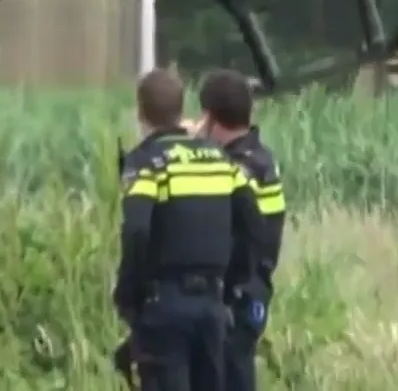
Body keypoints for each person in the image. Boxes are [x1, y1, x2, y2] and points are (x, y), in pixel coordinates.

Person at [115, 68, 262, 391]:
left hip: (164, 306)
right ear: (182, 110)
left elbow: (137, 230)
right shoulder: (220, 160)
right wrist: (235, 282)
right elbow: (253, 222)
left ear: (141, 112)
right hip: (212, 306)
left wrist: (128, 294)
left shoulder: (146, 162)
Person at [192, 71, 287, 391]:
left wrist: (188, 143)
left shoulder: (232, 170)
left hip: (235, 296)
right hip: (253, 290)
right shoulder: (261, 159)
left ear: (209, 118)